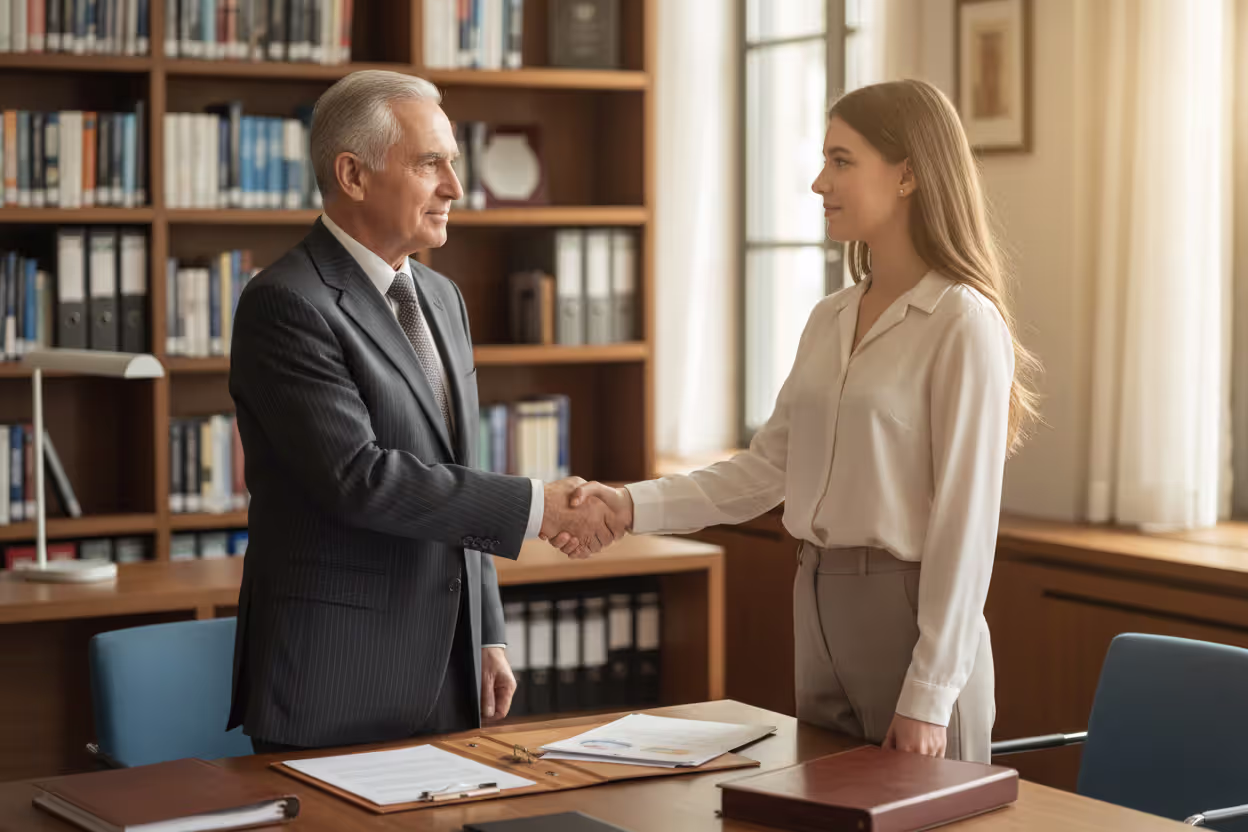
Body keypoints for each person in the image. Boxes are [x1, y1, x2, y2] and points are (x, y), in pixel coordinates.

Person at [561, 79, 1039, 763]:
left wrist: (928, 696)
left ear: (907, 174)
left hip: (908, 617)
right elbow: (765, 470)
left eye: (842, 160)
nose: (820, 183)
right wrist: (626, 505)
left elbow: (965, 525)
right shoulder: (830, 318)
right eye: (824, 160)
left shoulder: (963, 322)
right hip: (814, 598)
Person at [226, 70, 621, 753]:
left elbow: (453, 473)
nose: (456, 189)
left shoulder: (441, 297)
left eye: (454, 163)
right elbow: (359, 478)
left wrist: (487, 630)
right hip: (338, 679)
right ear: (352, 174)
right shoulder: (285, 303)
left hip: (450, 669)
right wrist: (539, 508)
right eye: (430, 163)